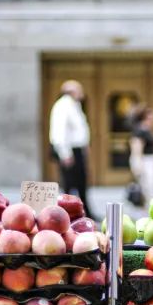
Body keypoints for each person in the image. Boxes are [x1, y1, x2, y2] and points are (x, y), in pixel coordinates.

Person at [49, 80, 93, 216]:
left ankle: (84, 211)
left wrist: (84, 146)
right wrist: (65, 153)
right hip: (69, 150)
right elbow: (59, 132)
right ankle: (67, 212)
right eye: (79, 90)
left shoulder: (75, 105)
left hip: (77, 149)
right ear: (72, 92)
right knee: (69, 184)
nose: (82, 93)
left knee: (81, 183)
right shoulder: (63, 106)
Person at [129, 104, 153, 206]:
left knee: (151, 186)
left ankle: (150, 206)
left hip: (151, 160)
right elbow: (136, 147)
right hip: (145, 160)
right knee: (148, 186)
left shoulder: (147, 129)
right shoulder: (140, 130)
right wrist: (137, 163)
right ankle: (149, 207)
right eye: (151, 114)